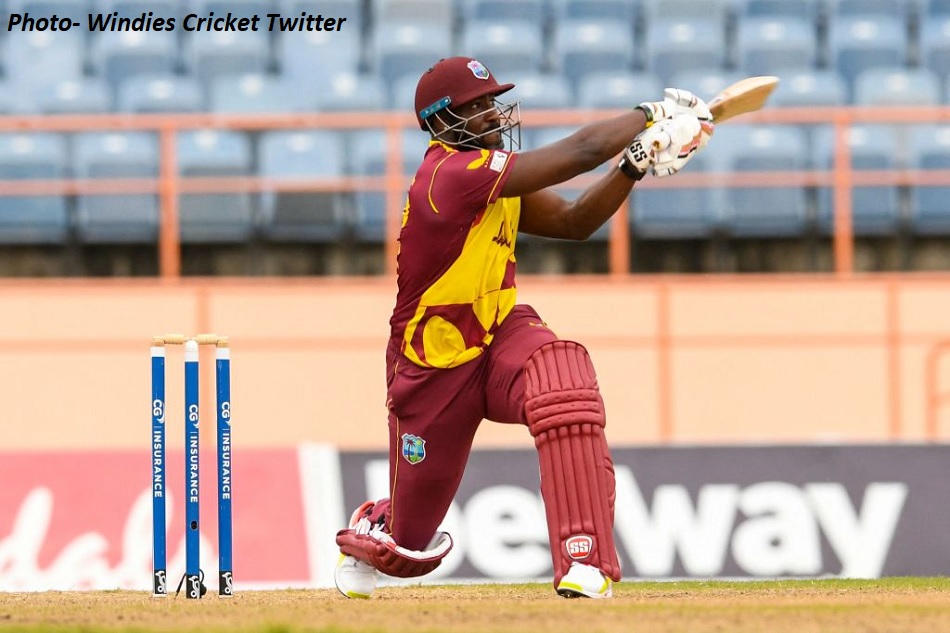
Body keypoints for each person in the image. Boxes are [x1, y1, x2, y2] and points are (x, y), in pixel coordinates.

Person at [334, 56, 713, 599]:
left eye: (493, 103)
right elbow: (579, 153)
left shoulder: (490, 174)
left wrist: (634, 163)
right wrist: (651, 114)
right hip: (433, 366)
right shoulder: (450, 176)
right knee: (408, 547)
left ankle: (584, 560)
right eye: (478, 107)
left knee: (565, 381)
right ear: (442, 122)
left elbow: (572, 222)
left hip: (498, 330)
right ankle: (380, 525)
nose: (493, 115)